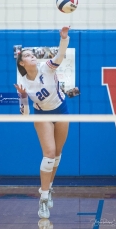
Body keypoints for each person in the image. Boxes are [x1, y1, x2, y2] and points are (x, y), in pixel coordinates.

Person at [14, 26, 70, 219]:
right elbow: (25, 115)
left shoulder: (47, 67)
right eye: (28, 56)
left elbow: (61, 55)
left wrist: (64, 38)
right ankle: (43, 198)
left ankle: (50, 187)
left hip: (61, 111)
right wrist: (22, 99)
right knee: (49, 154)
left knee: (57, 154)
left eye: (32, 54)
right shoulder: (22, 83)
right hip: (41, 115)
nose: (33, 57)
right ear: (22, 62)